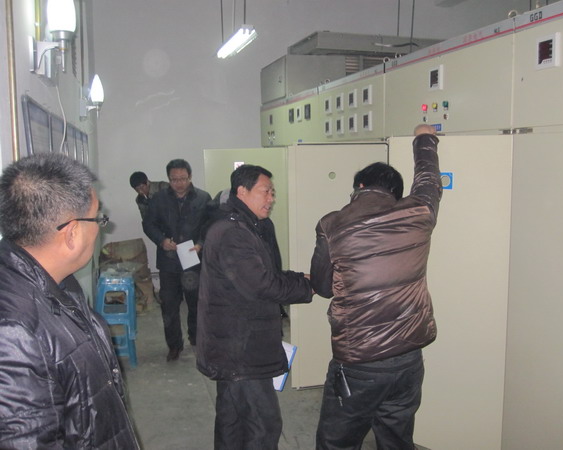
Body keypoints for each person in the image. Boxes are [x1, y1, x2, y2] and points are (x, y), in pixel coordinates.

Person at [310, 124, 442, 450]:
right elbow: (429, 180)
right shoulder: (418, 213)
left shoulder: (332, 224)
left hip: (359, 361)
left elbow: (322, 287)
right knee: (397, 440)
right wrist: (425, 138)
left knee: (337, 442)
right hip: (409, 358)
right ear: (396, 193)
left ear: (359, 186)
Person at [0, 153, 139, 448]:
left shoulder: (59, 281)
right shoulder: (12, 332)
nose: (100, 228)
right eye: (98, 218)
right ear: (72, 233)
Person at [196, 164, 313, 449]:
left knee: (233, 421)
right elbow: (262, 285)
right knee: (264, 424)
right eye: (266, 191)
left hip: (233, 346)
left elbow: (266, 274)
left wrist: (301, 278)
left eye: (273, 192)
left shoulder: (247, 227)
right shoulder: (233, 233)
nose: (271, 198)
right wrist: (308, 287)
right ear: (242, 191)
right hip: (241, 349)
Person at [142, 159, 211, 362]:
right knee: (169, 306)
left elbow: (210, 225)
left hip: (193, 260)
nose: (179, 183)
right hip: (169, 262)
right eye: (174, 180)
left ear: (190, 177)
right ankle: (174, 345)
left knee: (196, 304)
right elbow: (149, 224)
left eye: (183, 179)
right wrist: (162, 241)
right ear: (168, 179)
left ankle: (196, 339)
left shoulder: (203, 198)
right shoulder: (159, 199)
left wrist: (201, 244)